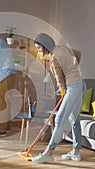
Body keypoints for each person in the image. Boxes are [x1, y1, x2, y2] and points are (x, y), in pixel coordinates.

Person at [31, 33, 86, 163]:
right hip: (81, 84)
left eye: (39, 48)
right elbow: (78, 54)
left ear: (45, 46)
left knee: (60, 117)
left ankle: (48, 152)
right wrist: (74, 68)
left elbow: (60, 81)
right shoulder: (63, 48)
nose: (39, 51)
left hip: (73, 87)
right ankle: (76, 152)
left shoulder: (53, 59)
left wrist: (62, 90)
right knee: (74, 118)